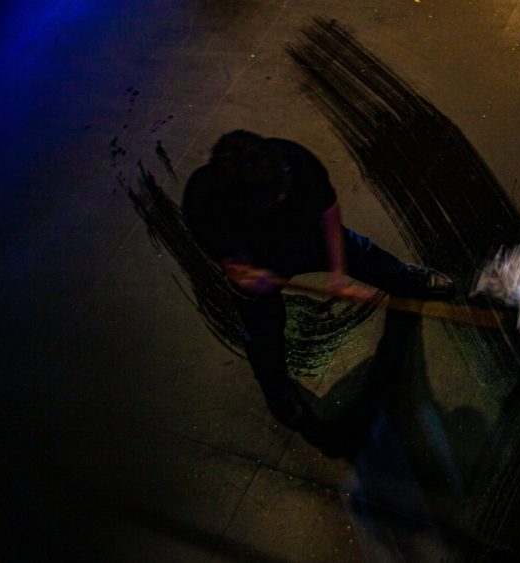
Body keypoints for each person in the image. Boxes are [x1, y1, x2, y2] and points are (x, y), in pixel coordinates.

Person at [181, 130, 454, 432]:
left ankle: (405, 280)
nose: (283, 196)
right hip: (258, 260)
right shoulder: (203, 200)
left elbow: (328, 211)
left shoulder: (291, 159)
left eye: (282, 189)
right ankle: (278, 390)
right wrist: (247, 277)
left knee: (362, 253)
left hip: (307, 235)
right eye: (273, 199)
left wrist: (338, 273)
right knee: (262, 333)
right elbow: (230, 262)